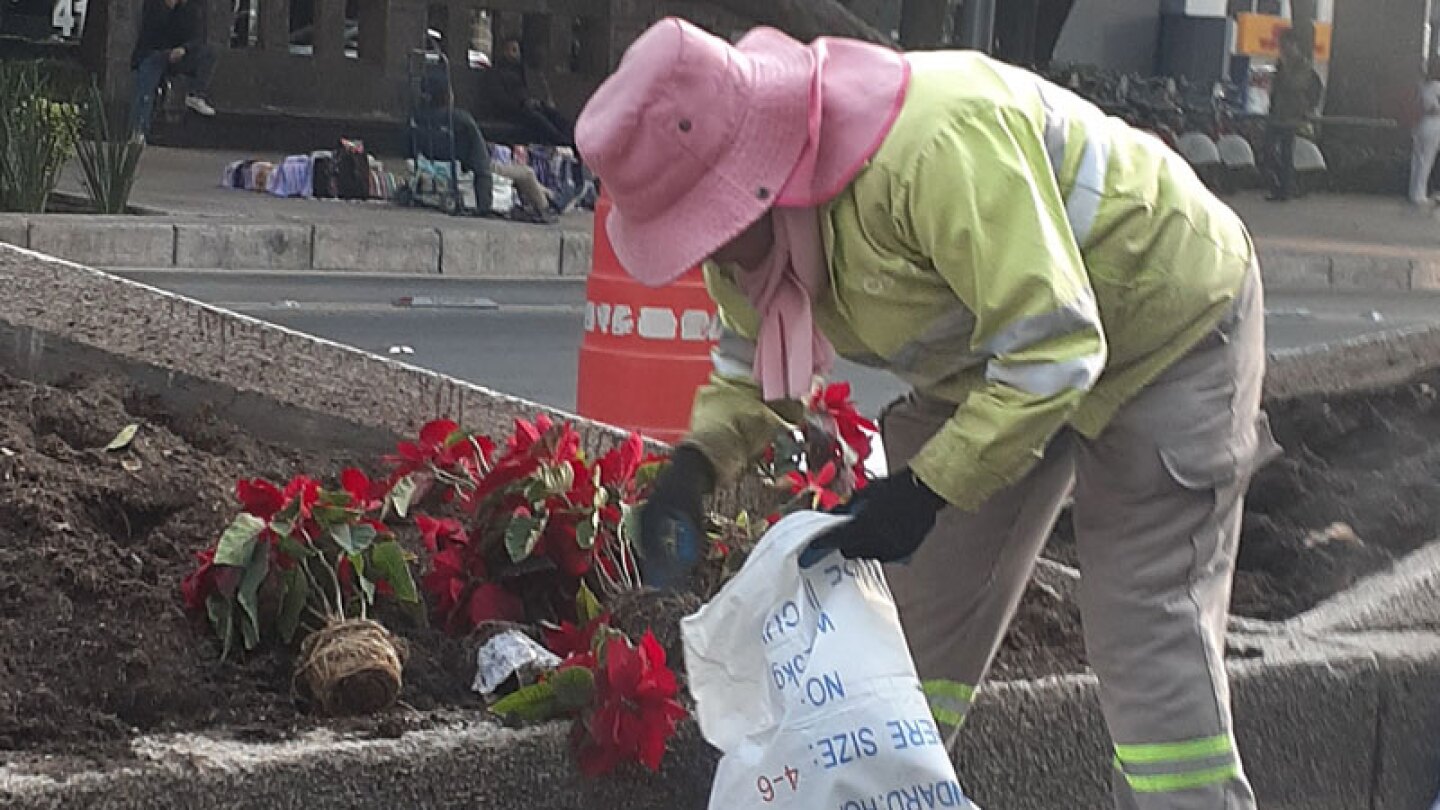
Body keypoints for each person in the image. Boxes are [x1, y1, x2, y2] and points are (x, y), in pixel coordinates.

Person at [578, 18, 1277, 810]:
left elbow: (1053, 351)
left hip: (1167, 325)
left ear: (756, 180)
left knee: (1143, 627)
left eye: (707, 227)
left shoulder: (932, 149)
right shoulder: (751, 245)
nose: (704, 255)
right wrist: (695, 468)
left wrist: (927, 489)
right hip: (997, 358)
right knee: (913, 625)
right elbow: (751, 362)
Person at [412, 70, 577, 221]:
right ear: (447, 94)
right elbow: (482, 166)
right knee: (526, 172)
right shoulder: (461, 120)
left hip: (441, 166)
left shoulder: (417, 118)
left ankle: (552, 196)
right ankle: (546, 208)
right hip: (469, 169)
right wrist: (484, 206)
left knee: (518, 172)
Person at [130, 0, 218, 137]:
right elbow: (150, 35)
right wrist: (166, 10)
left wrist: (184, 48)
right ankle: (139, 130)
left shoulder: (189, 10)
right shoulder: (154, 7)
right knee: (147, 81)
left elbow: (197, 37)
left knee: (208, 53)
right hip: (153, 54)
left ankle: (195, 95)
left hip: (177, 54)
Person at [1264, 28, 1323, 201]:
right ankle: (1277, 186)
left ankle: (1285, 189)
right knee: (1268, 151)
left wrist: (1284, 70)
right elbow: (1275, 89)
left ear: (1294, 45)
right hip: (1277, 114)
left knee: (1286, 153)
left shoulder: (1302, 66)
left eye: (1286, 45)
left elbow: (1295, 84)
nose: (1283, 49)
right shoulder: (1281, 65)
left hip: (1291, 115)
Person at [485, 37, 575, 146]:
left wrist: (536, 101)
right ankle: (562, 142)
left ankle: (574, 139)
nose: (513, 54)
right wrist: (521, 104)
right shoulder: (495, 73)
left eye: (515, 50)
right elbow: (499, 98)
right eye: (510, 50)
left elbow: (535, 90)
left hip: (530, 105)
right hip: (512, 111)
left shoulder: (524, 71)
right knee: (537, 119)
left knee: (554, 115)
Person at [1410, 60, 1440, 206]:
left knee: (1418, 160)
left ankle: (1414, 192)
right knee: (1427, 160)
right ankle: (1420, 194)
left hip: (1422, 123)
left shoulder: (1424, 86)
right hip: (1435, 123)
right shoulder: (1437, 87)